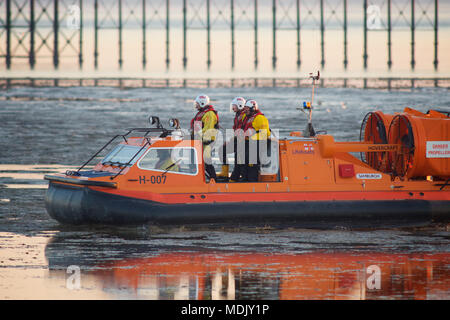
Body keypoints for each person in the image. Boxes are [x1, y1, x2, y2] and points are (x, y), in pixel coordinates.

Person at [217, 96, 247, 181]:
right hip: (237, 140)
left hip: (243, 141)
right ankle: (225, 172)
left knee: (239, 160)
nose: (232, 108)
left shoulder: (244, 115)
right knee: (222, 149)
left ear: (240, 105)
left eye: (234, 106)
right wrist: (231, 140)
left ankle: (236, 177)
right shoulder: (238, 115)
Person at [190, 94, 219, 180]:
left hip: (206, 142)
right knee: (198, 161)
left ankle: (213, 179)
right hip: (199, 141)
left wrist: (201, 138)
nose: (196, 105)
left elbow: (208, 129)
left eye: (197, 103)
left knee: (206, 161)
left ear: (202, 103)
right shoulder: (201, 113)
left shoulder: (209, 114)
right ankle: (202, 178)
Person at [242, 99, 271, 182]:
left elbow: (265, 133)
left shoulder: (260, 118)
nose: (245, 110)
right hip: (249, 143)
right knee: (245, 162)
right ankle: (245, 179)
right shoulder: (247, 117)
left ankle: (252, 181)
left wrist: (251, 135)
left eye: (247, 109)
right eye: (245, 108)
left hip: (258, 143)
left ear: (253, 108)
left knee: (252, 164)